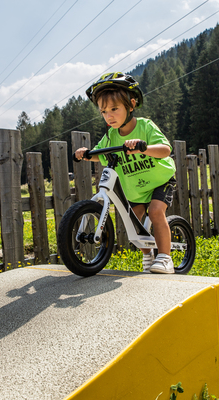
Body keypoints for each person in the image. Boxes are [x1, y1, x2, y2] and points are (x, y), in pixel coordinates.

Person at [74, 72, 177, 274]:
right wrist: (86, 154)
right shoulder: (111, 136)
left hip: (159, 181)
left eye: (114, 109)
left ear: (131, 105)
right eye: (103, 111)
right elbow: (100, 154)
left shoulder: (145, 126)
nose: (108, 116)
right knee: (134, 226)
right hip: (136, 191)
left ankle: (165, 258)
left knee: (156, 212)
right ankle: (148, 255)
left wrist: (143, 148)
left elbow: (166, 150)